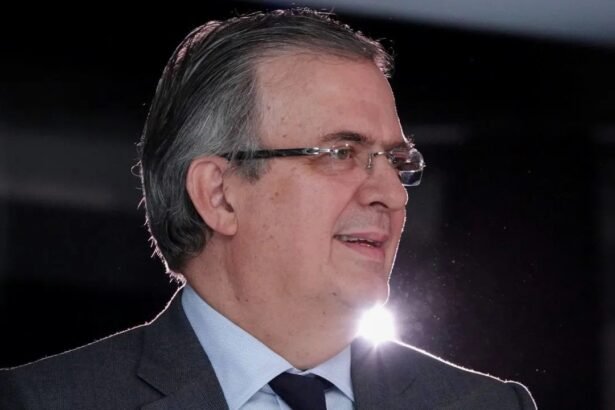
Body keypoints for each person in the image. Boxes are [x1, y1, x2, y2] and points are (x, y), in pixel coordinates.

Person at [0, 8, 536, 409]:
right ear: (219, 195)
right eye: (340, 154)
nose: (393, 195)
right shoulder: (43, 401)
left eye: (397, 162)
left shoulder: (485, 405)